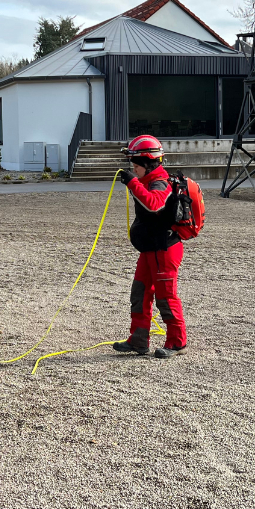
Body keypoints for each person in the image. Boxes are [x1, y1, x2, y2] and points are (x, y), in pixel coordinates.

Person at [111, 135, 188, 359]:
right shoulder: (147, 180)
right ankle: (138, 340)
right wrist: (135, 182)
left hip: (164, 249)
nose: (133, 169)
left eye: (136, 164)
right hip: (150, 249)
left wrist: (132, 183)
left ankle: (177, 342)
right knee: (140, 292)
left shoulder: (160, 182)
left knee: (166, 296)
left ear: (148, 163)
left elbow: (154, 204)